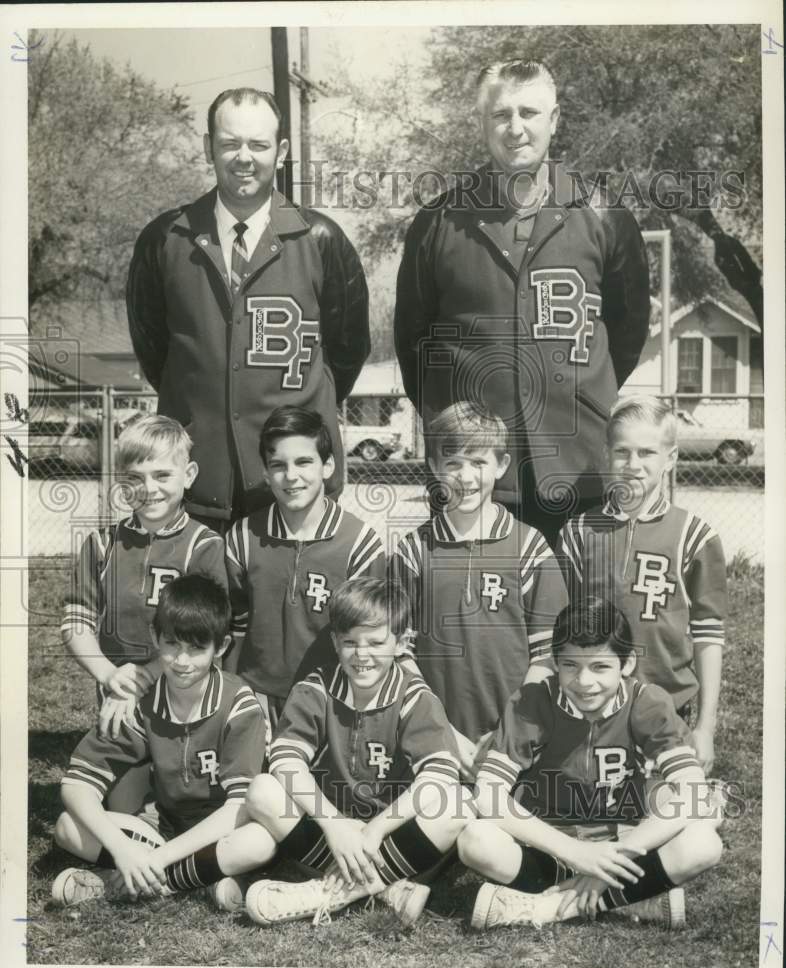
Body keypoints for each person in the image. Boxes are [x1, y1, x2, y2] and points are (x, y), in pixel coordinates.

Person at [394, 60, 650, 546]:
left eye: (529, 112)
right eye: (501, 115)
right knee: (475, 614)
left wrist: (580, 395)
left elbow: (627, 333)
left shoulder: (605, 215)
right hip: (474, 470)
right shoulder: (439, 221)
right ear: (482, 123)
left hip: (578, 466)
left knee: (582, 615)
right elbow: (413, 342)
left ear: (555, 120)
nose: (516, 129)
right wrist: (454, 420)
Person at [127, 87, 370, 527]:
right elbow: (154, 350)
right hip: (196, 483)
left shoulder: (322, 239)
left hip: (292, 488)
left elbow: (347, 352)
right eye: (229, 143)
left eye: (258, 145)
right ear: (208, 147)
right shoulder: (165, 239)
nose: (244, 157)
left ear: (280, 152)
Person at [210, 577, 467, 927]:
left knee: (458, 804)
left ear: (401, 643)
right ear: (335, 641)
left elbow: (439, 776)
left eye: (376, 643)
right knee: (262, 791)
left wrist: (374, 830)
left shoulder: (415, 696)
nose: (362, 655)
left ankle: (326, 892)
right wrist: (335, 825)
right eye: (350, 643)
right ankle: (384, 889)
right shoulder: (316, 688)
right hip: (328, 834)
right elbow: (286, 762)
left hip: (393, 836)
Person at [457, 596, 724, 931]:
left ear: (626, 665)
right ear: (555, 663)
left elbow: (694, 792)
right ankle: (633, 899)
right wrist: (575, 852)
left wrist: (617, 855)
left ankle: (547, 906)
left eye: (600, 667)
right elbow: (487, 795)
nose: (584, 682)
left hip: (623, 845)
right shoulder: (532, 702)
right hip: (551, 846)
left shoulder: (647, 702)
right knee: (475, 840)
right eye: (571, 666)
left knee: (704, 842)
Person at [51, 575, 268, 906]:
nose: (182, 661)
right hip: (162, 830)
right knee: (68, 827)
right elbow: (76, 785)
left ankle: (120, 884)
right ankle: (199, 881)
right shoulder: (142, 702)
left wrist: (159, 858)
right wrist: (124, 850)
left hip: (223, 831)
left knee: (259, 842)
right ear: (156, 638)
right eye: (172, 645)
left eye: (197, 648)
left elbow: (237, 807)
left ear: (221, 647)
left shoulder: (238, 703)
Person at [389, 402, 567, 774]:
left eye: (479, 462)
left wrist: (509, 733)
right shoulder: (413, 552)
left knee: (499, 828)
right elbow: (398, 654)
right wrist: (442, 732)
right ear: (435, 467)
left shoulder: (530, 548)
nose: (465, 477)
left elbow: (548, 657)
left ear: (501, 465)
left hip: (517, 739)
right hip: (434, 737)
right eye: (452, 463)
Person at [61, 415, 227, 810]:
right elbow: (75, 621)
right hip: (120, 702)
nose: (149, 489)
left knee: (188, 805)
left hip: (185, 700)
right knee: (119, 807)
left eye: (162, 475)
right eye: (136, 477)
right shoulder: (103, 544)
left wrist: (146, 676)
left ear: (188, 475)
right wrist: (111, 677)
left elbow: (213, 637)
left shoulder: (204, 546)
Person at [556, 395, 727, 775]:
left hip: (669, 703)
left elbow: (708, 634)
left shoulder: (695, 535)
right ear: (606, 454)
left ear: (671, 458)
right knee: (585, 807)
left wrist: (705, 727)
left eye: (647, 452)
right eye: (623, 452)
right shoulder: (579, 532)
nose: (633, 465)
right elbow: (561, 630)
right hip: (593, 703)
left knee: (679, 813)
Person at [224, 406, 386, 734]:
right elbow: (233, 627)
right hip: (256, 696)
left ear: (328, 466)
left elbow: (370, 641)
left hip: (332, 700)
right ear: (267, 474)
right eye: (278, 466)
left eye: (304, 462)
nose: (292, 476)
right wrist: (233, 694)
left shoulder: (360, 543)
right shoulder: (242, 537)